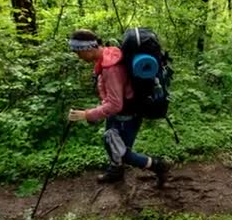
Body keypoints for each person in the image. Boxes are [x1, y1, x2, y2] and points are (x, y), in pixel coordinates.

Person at [67, 29, 170, 186]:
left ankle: (158, 165)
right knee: (110, 142)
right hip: (119, 113)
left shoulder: (111, 68)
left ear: (87, 49)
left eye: (78, 53)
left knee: (123, 153)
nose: (78, 57)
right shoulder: (108, 55)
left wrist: (87, 115)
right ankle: (116, 171)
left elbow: (115, 104)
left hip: (127, 115)